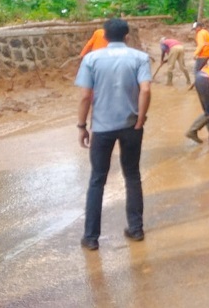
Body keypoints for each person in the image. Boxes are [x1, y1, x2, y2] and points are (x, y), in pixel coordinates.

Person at [75, 18, 152, 251]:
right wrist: (140, 117)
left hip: (102, 128)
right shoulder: (140, 58)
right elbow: (146, 89)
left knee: (97, 180)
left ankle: (91, 237)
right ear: (126, 36)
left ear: (105, 36)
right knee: (132, 175)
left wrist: (81, 126)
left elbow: (86, 97)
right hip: (131, 127)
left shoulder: (91, 59)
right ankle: (136, 229)